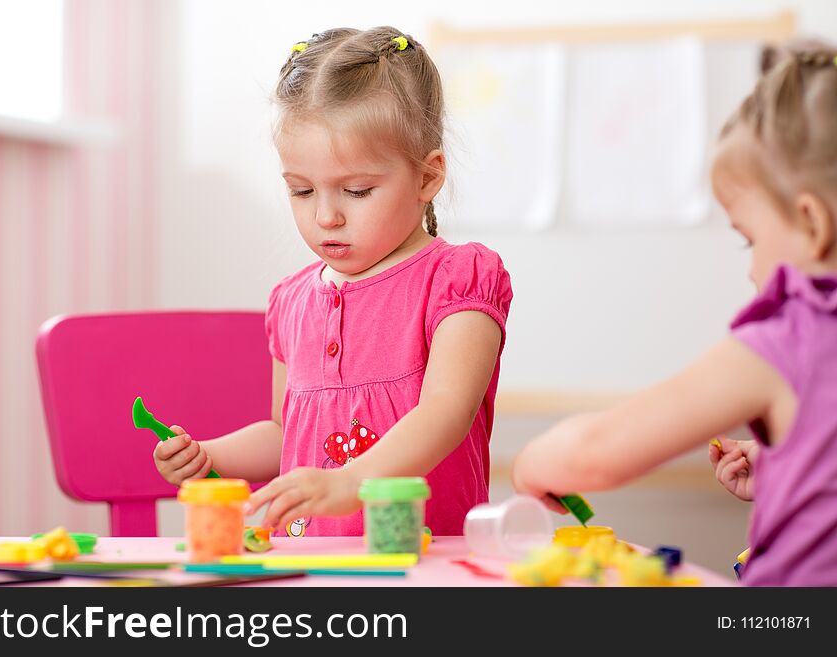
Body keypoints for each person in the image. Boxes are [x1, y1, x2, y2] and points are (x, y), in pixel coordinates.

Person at [154, 27, 512, 538]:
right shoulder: (292, 301)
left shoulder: (458, 281)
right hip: (306, 563)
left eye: (357, 190)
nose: (325, 216)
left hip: (421, 560)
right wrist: (210, 455)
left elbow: (446, 411)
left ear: (428, 177)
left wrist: (353, 480)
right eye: (301, 191)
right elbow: (285, 433)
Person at [512, 46, 837, 586]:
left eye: (749, 240)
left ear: (811, 223)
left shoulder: (785, 341)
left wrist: (536, 460)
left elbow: (600, 453)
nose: (752, 269)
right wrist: (789, 464)